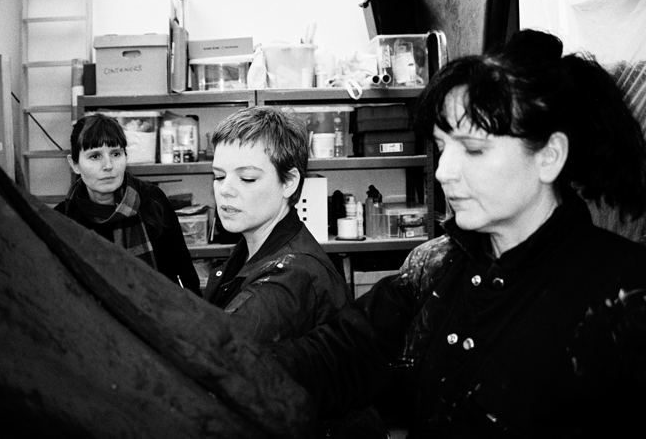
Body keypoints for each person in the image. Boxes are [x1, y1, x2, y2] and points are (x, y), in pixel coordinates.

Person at [270, 29, 646, 438]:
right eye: (441, 146)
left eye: (474, 149)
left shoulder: (625, 296)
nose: (444, 172)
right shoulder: (435, 267)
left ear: (548, 157)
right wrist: (213, 364)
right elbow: (338, 356)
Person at [204, 106, 387, 438]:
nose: (225, 190)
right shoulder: (252, 245)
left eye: (246, 177)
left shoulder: (288, 278)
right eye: (218, 176)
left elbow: (217, 366)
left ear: (289, 182)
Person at [54, 113, 201, 296]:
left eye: (116, 153)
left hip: (157, 314)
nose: (108, 166)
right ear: (75, 164)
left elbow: (184, 271)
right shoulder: (63, 218)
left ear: (125, 156)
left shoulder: (152, 201)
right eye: (95, 156)